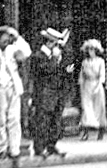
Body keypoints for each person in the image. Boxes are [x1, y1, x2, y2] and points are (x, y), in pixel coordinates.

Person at [28, 27, 73, 159]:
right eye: (55, 44)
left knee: (55, 121)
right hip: (44, 94)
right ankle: (39, 148)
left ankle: (51, 146)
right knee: (43, 122)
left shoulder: (55, 57)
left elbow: (60, 72)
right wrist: (55, 59)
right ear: (49, 43)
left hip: (57, 93)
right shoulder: (38, 56)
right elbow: (45, 71)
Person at [0, 24, 28, 167]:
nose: (6, 41)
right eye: (3, 38)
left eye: (8, 38)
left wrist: (17, 36)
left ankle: (15, 150)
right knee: (0, 119)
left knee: (14, 119)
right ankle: (1, 148)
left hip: (14, 87)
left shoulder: (13, 49)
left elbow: (26, 52)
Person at [77, 39, 107, 140]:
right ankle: (85, 132)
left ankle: (101, 130)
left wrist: (99, 85)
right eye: (89, 49)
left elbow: (102, 75)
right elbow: (81, 75)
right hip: (87, 86)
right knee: (86, 108)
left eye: (93, 49)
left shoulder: (100, 61)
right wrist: (81, 85)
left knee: (99, 107)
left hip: (97, 85)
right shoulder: (85, 62)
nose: (91, 51)